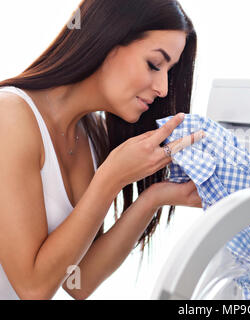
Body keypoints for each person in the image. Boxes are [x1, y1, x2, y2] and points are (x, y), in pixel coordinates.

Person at [0, 0, 205, 300]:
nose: (162, 87)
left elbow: (77, 282)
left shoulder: (92, 134)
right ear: (107, 40)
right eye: (154, 64)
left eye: (169, 73)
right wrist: (111, 178)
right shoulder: (10, 117)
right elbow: (33, 288)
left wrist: (154, 198)